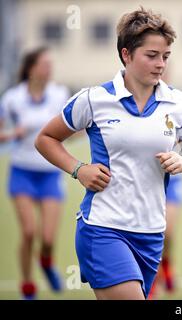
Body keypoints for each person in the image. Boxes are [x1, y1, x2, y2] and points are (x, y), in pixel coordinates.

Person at [35, 7, 182, 300]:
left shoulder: (179, 103)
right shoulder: (94, 99)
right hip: (103, 229)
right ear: (126, 54)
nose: (160, 64)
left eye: (165, 56)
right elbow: (46, 138)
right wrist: (79, 169)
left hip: (152, 234)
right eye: (151, 55)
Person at [0, 47, 69, 299]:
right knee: (29, 232)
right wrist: (11, 135)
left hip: (51, 173)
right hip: (22, 172)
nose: (49, 68)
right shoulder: (12, 99)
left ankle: (47, 262)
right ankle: (28, 286)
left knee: (48, 238)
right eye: (44, 64)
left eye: (51, 64)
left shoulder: (60, 95)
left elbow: (70, 128)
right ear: (31, 69)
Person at [148, 173, 182, 299]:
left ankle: (166, 262)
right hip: (145, 180)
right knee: (152, 232)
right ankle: (153, 276)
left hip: (173, 178)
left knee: (167, 231)